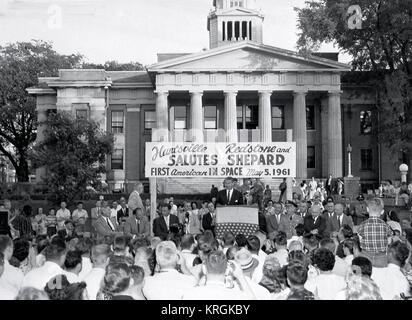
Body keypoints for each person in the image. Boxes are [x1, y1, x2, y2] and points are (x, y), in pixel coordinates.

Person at [182, 250, 255, 300]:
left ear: (204, 269)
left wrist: (198, 285)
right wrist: (240, 276)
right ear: (227, 271)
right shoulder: (237, 296)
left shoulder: (189, 295)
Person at [357, 198, 392, 267]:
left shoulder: (362, 225)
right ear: (382, 211)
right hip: (381, 258)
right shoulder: (386, 225)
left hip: (365, 257)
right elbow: (389, 241)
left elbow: (360, 240)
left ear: (367, 209)